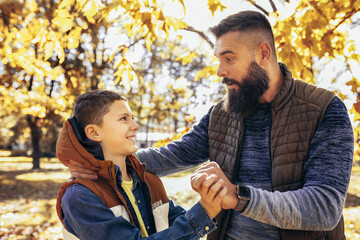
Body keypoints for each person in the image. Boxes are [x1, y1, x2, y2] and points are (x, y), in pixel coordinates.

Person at [68, 11, 354, 240]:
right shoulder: (224, 111)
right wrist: (96, 159)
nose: (220, 72)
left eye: (229, 59)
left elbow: (324, 207)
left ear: (263, 53)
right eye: (219, 59)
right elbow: (173, 155)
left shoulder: (324, 109)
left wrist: (240, 197)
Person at [55, 90, 227, 240]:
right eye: (123, 119)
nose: (136, 126)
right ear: (94, 132)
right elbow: (193, 222)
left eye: (133, 118)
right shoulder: (80, 196)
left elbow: (184, 224)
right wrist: (204, 211)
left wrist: (212, 199)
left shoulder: (149, 182)